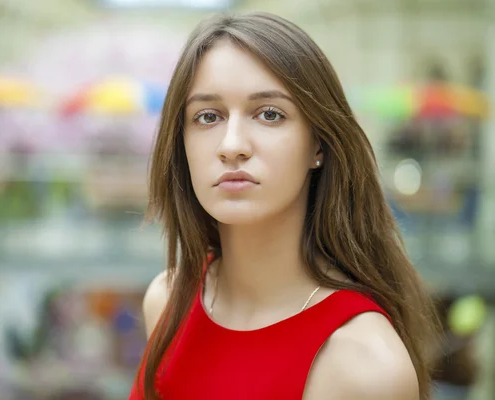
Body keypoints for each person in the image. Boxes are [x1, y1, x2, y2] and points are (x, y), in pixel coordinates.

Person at [130, 12, 439, 400]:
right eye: (208, 116)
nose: (232, 145)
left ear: (319, 145)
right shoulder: (166, 301)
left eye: (270, 114)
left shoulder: (362, 365)